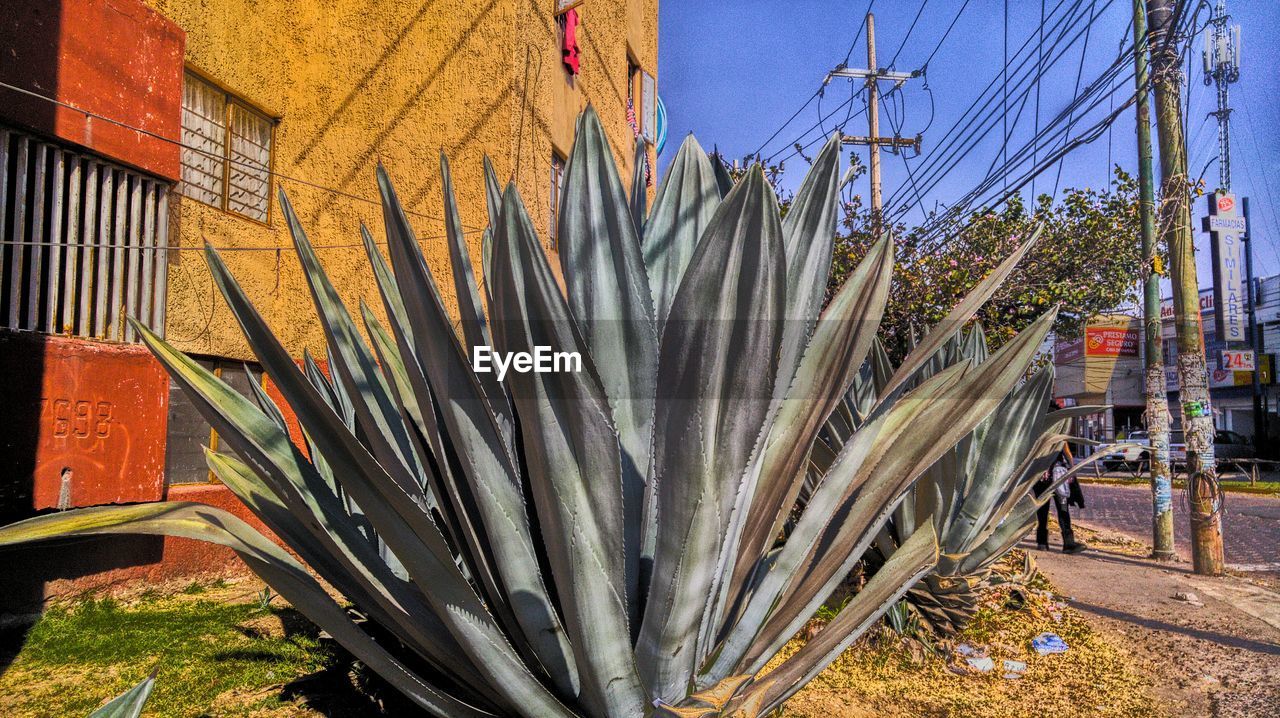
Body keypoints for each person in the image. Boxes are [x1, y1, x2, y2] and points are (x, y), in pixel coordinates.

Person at [1035, 444, 1087, 554]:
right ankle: (1067, 543)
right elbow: (1067, 453)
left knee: (1043, 510)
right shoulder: (1059, 435)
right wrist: (1072, 469)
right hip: (1056, 476)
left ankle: (1042, 542)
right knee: (1062, 509)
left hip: (1042, 475)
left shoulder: (1039, 436)